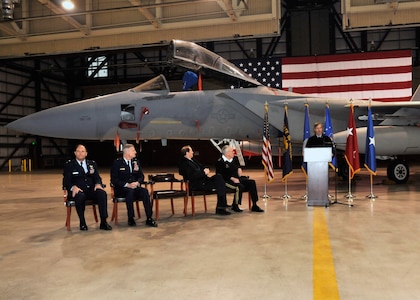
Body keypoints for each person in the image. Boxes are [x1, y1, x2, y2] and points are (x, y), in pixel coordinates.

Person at [63, 144, 112, 231]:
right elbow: (66, 181)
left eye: (82, 151)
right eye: (78, 151)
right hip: (78, 191)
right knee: (80, 196)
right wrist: (73, 187)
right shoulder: (70, 165)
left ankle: (103, 221)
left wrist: (98, 184)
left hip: (90, 190)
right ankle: (82, 222)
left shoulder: (92, 164)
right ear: (75, 153)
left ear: (86, 153)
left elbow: (97, 177)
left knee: (102, 193)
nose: (80, 153)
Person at [110, 144, 157, 227]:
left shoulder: (135, 162)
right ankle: (130, 218)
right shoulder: (117, 163)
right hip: (122, 189)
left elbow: (141, 176)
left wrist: (137, 182)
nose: (135, 152)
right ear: (127, 152)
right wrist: (127, 185)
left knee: (145, 192)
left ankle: (149, 218)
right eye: (133, 150)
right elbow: (114, 180)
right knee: (130, 192)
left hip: (134, 187)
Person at [178, 145, 231, 215]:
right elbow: (192, 176)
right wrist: (203, 172)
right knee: (220, 184)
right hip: (196, 184)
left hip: (203, 181)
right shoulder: (184, 163)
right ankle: (221, 207)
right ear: (187, 153)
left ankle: (222, 205)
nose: (193, 152)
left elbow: (202, 166)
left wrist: (206, 169)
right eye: (191, 151)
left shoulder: (193, 160)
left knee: (219, 177)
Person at [215, 145, 264, 213]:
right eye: (232, 151)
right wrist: (231, 178)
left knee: (251, 182)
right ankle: (235, 205)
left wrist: (239, 169)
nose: (233, 152)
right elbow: (220, 174)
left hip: (237, 178)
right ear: (227, 153)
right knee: (239, 186)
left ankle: (255, 205)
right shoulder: (220, 162)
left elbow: (238, 167)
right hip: (226, 181)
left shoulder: (234, 160)